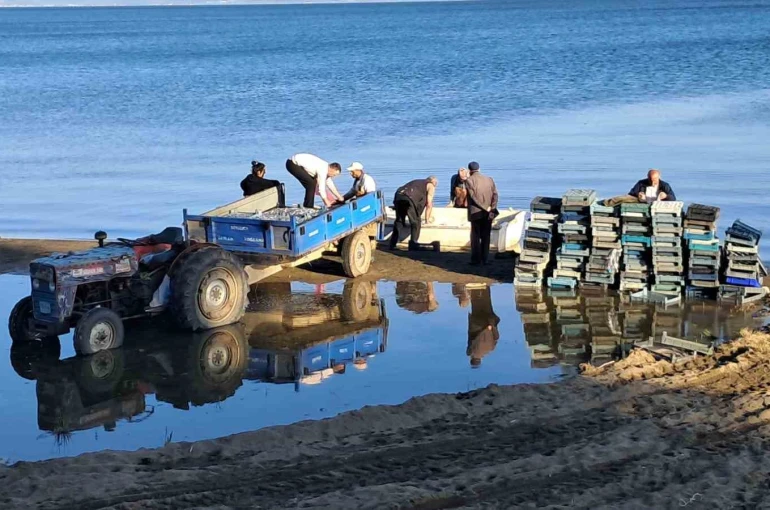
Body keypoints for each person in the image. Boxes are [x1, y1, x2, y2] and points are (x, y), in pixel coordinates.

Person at [389, 176, 437, 250]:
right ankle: (413, 243)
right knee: (416, 222)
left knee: (399, 221)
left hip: (398, 195)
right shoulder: (430, 185)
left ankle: (392, 244)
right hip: (409, 198)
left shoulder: (418, 182)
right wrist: (427, 220)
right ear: (433, 182)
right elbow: (429, 204)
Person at [464, 161, 498, 265]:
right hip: (488, 212)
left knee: (475, 236)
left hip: (476, 213)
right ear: (479, 169)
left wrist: (485, 208)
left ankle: (476, 260)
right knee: (486, 236)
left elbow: (474, 198)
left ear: (469, 170)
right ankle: (485, 259)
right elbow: (495, 195)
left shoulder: (469, 181)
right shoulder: (489, 179)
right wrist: (492, 208)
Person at [466, 285, 500, 368]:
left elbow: (496, 337)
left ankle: (485, 287)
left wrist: (491, 326)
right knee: (475, 304)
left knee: (486, 302)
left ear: (480, 359)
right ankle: (474, 288)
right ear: (472, 359)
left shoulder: (490, 349)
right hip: (477, 324)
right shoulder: (470, 352)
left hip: (488, 323)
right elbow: (470, 340)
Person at [603, 168, 677, 206]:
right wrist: (638, 194)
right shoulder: (641, 183)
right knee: (624, 198)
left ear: (659, 177)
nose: (652, 182)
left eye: (655, 180)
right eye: (650, 180)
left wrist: (666, 196)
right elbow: (631, 193)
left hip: (657, 203)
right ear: (647, 177)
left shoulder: (664, 185)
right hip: (643, 201)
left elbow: (673, 198)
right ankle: (607, 203)